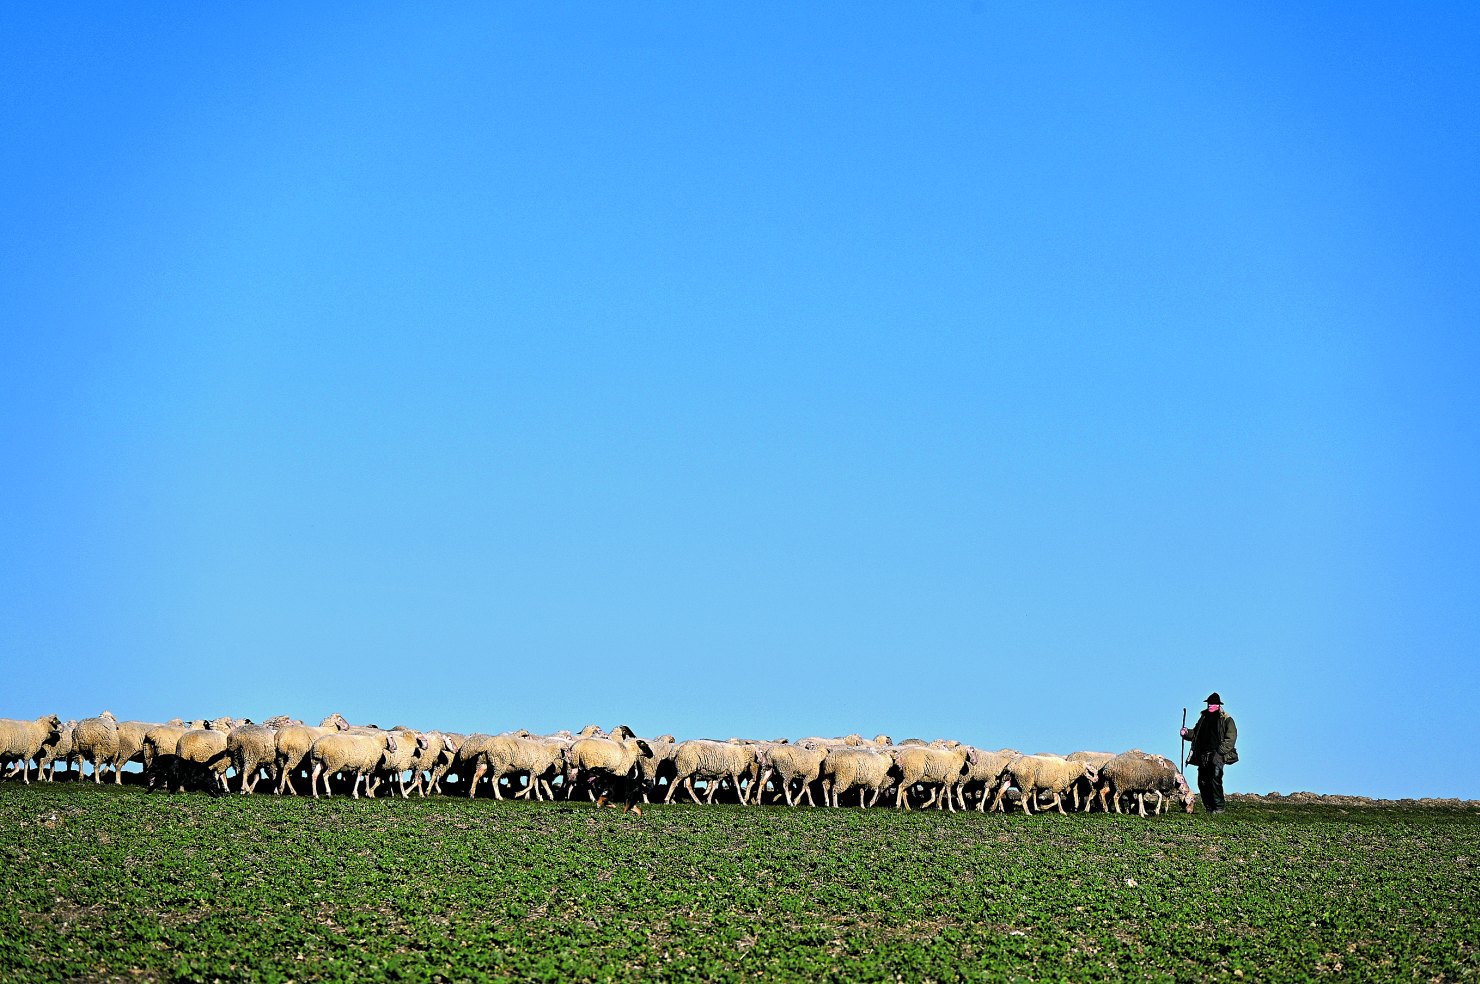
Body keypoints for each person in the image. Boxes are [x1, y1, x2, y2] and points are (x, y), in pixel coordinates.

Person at [1180, 692, 1238, 813]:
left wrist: (1220, 751)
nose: (1211, 705)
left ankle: (1219, 808)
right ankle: (1209, 808)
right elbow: (1195, 733)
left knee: (1215, 779)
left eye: (1213, 703)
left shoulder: (1226, 719)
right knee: (1202, 782)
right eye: (1209, 703)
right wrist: (1186, 733)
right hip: (1202, 754)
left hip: (1217, 754)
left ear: (1218, 705)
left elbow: (1231, 737)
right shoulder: (1203, 718)